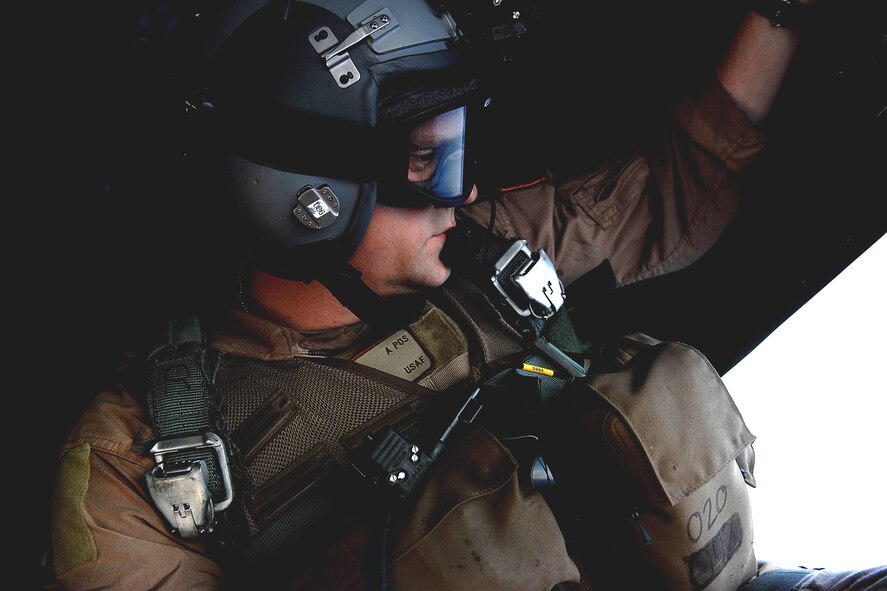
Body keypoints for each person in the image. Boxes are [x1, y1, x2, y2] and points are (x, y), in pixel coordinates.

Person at [44, 1, 886, 590]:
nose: (462, 187)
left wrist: (783, 7)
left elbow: (671, 189)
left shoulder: (482, 250)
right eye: (424, 160)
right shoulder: (140, 459)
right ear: (310, 197)